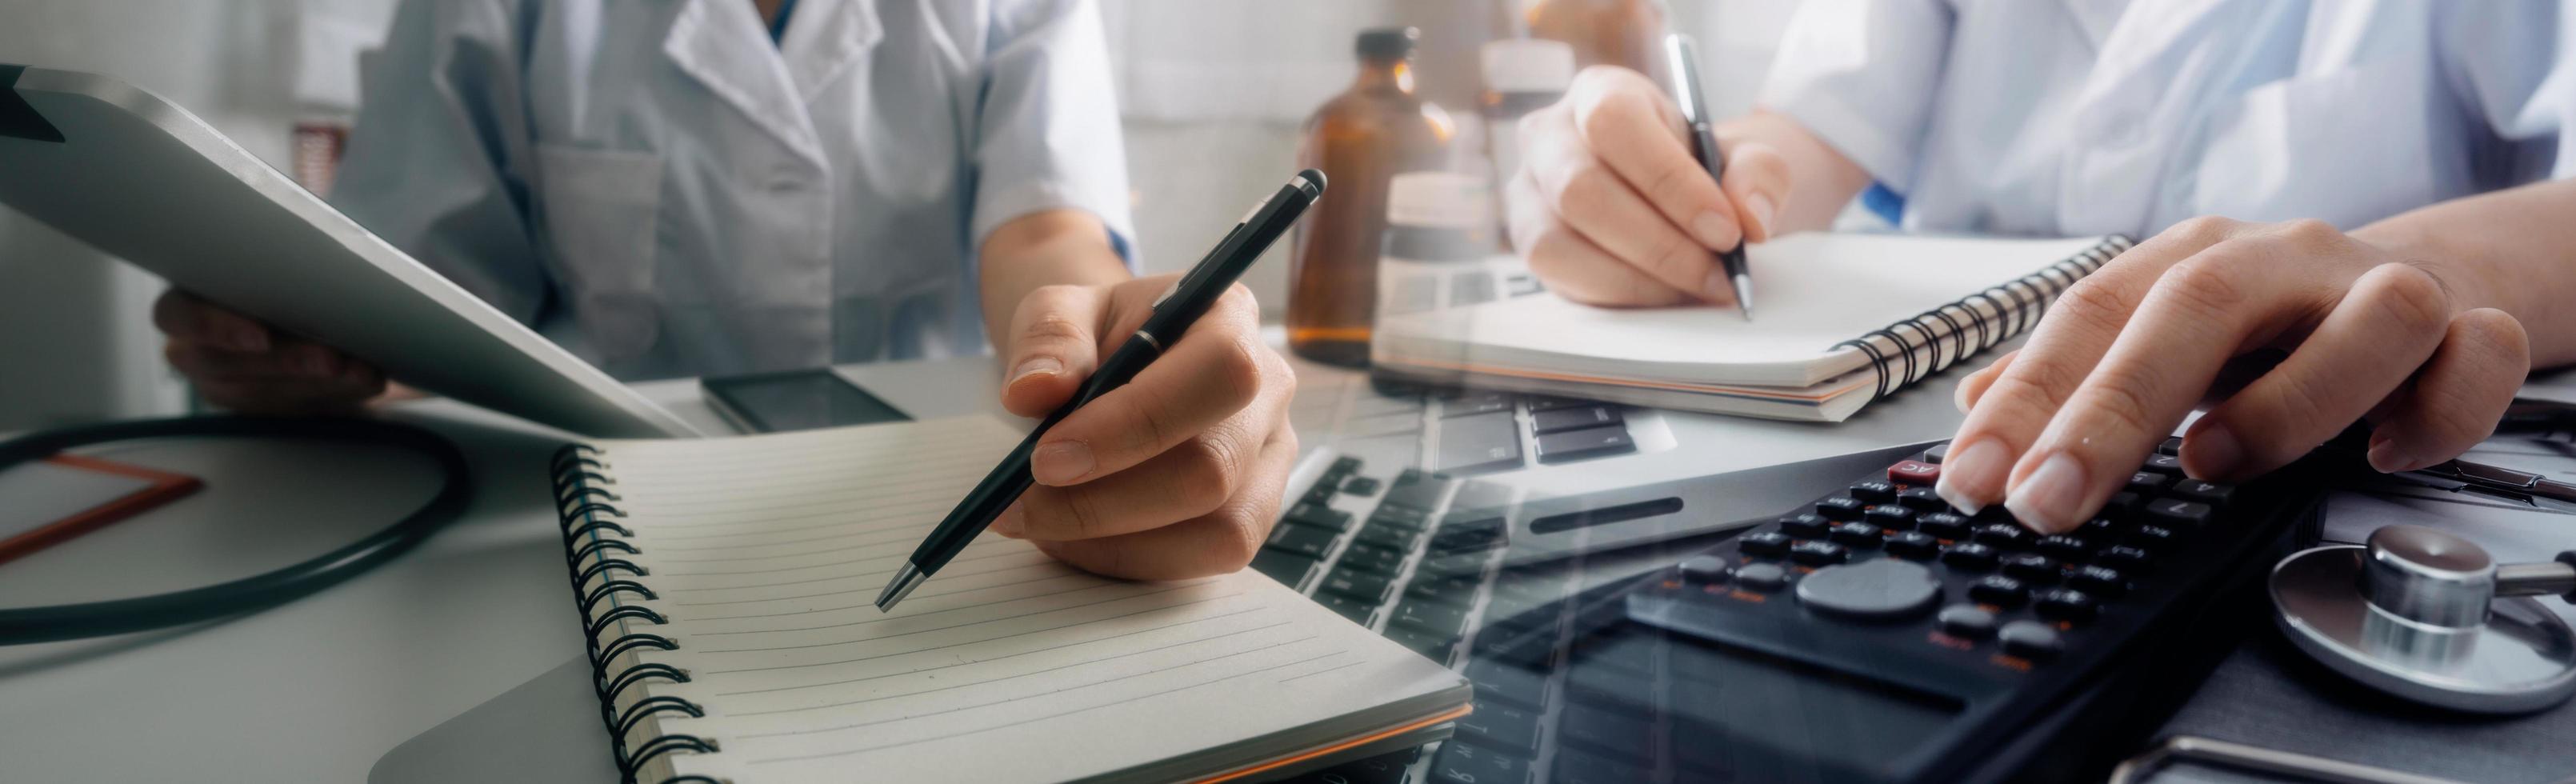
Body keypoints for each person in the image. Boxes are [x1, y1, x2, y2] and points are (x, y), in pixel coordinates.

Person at [149, 0, 1297, 580]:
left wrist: (1086, 334)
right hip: (572, 522)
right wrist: (314, 349)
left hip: (941, 497)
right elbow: (426, 289)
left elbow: (1049, 230)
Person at [1510, 1, 2576, 533]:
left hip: (2326, 485)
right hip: (1913, 442)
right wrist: (1643, 180)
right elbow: (1800, 137)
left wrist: (2425, 263)